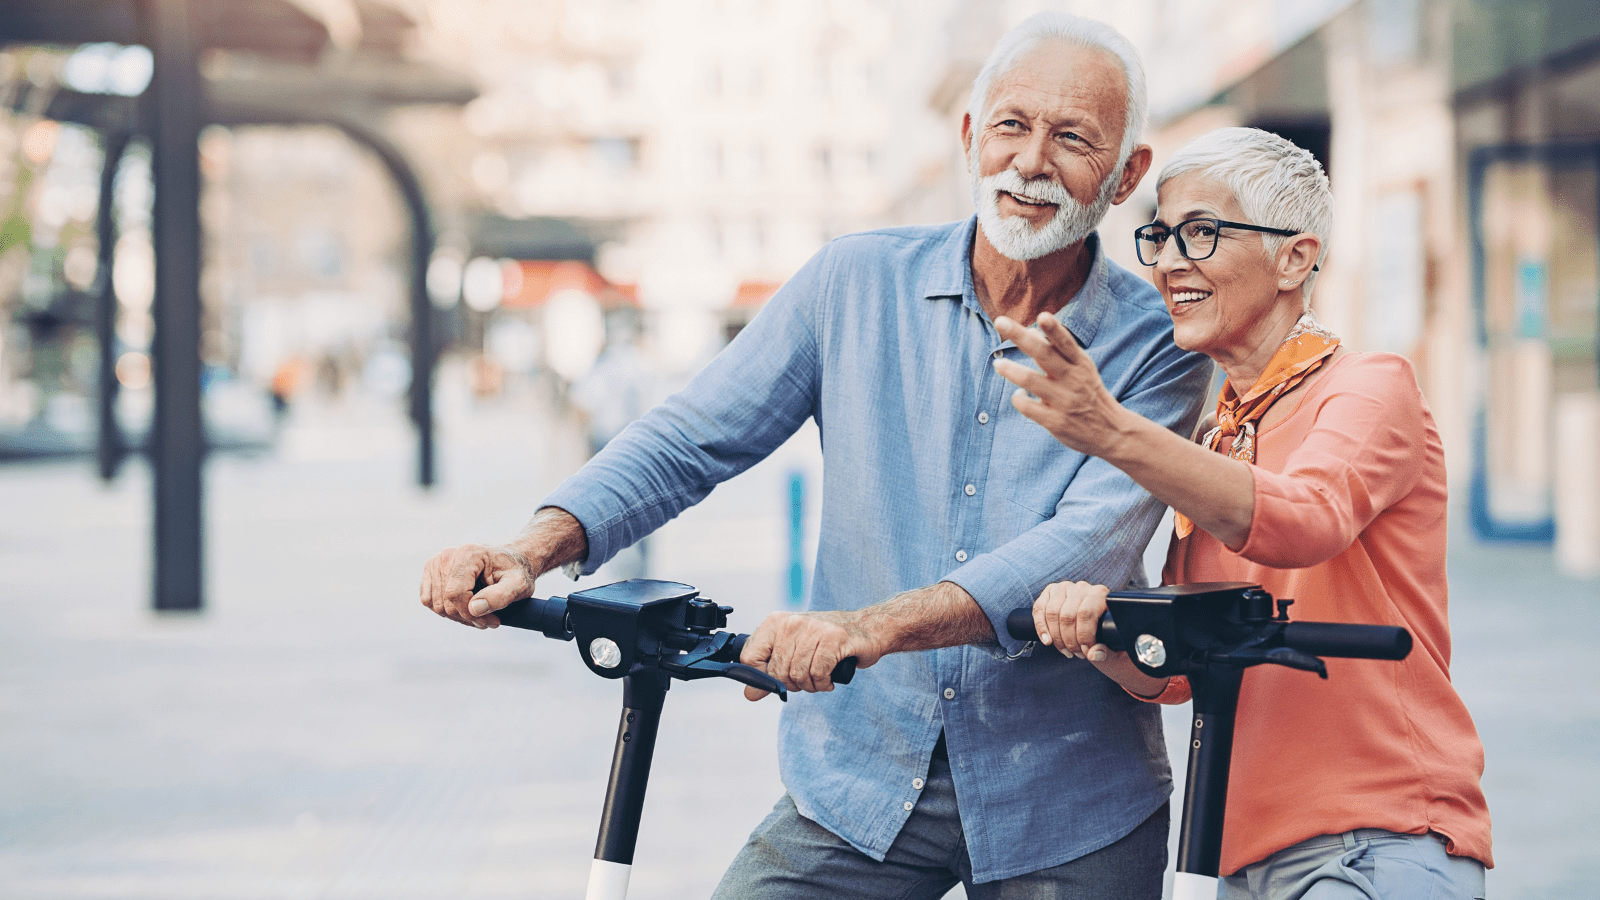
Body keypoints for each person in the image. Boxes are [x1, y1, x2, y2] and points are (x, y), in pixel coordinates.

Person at [419, 12, 1213, 898]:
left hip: (1067, 799)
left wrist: (867, 628)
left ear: (1128, 172)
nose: (1032, 161)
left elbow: (1086, 544)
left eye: (1073, 138)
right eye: (1012, 126)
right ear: (968, 136)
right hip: (859, 781)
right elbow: (692, 436)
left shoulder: (1162, 345)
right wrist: (531, 548)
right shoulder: (853, 282)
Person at [993, 127, 1492, 900]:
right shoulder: (1216, 436)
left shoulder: (1369, 388)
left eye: (1201, 232)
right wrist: (1099, 632)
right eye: (1159, 237)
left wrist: (1113, 430)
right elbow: (1184, 669)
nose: (1168, 263)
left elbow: (1307, 520)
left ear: (1295, 257)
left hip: (1372, 839)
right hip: (1234, 854)